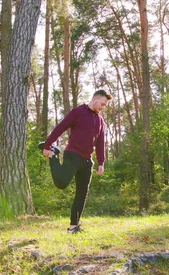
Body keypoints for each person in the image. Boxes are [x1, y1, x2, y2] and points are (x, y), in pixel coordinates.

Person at [38, 89, 112, 233]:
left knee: (82, 194)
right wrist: (47, 145)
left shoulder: (100, 120)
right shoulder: (78, 112)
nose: (103, 108)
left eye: (105, 106)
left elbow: (101, 142)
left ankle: (74, 226)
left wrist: (101, 162)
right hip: (73, 155)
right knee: (61, 183)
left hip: (87, 161)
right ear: (95, 99)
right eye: (102, 104)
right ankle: (53, 154)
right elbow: (61, 127)